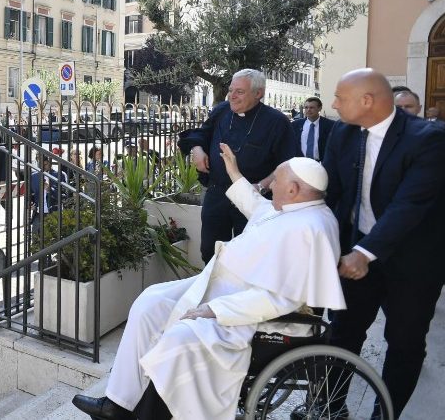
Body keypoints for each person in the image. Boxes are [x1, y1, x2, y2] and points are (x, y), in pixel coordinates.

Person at [71, 146, 345, 420]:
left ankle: (148, 414)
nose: (271, 185)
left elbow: (281, 299)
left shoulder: (311, 228)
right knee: (150, 302)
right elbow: (257, 207)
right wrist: (234, 172)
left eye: (277, 181)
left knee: (181, 337)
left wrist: (217, 310)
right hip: (220, 287)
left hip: (247, 311)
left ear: (294, 189)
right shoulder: (293, 207)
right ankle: (117, 403)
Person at [322, 68, 445, 416]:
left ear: (367, 101)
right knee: (343, 332)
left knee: (404, 342)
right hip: (358, 248)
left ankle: (384, 413)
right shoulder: (342, 134)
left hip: (413, 261)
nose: (333, 104)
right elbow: (329, 190)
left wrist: (365, 252)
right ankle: (331, 406)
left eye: (339, 98)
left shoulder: (428, 138)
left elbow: (410, 205)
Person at [178, 68, 297, 263]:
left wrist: (260, 186)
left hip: (254, 199)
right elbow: (201, 134)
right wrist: (197, 149)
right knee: (210, 252)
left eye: (239, 92)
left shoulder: (277, 122)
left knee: (250, 257)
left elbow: (287, 164)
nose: (232, 96)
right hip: (217, 194)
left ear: (258, 93)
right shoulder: (221, 110)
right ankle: (214, 292)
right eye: (231, 90)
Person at [291, 96, 334, 161]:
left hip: (321, 164)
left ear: (319, 108)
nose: (308, 110)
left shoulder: (330, 125)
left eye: (312, 107)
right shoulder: (296, 125)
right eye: (306, 107)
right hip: (300, 163)